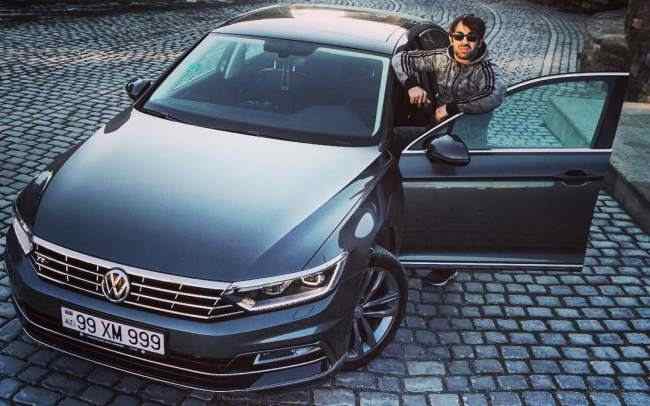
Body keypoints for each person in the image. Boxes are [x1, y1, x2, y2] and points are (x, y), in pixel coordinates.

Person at [392, 14, 506, 286]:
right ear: (451, 36)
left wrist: (453, 108)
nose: (464, 42)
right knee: (395, 141)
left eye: (471, 37)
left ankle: (447, 265)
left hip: (467, 143)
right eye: (459, 36)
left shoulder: (487, 71)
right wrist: (412, 85)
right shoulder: (441, 57)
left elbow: (494, 95)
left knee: (451, 203)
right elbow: (400, 59)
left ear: (481, 40)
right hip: (436, 135)